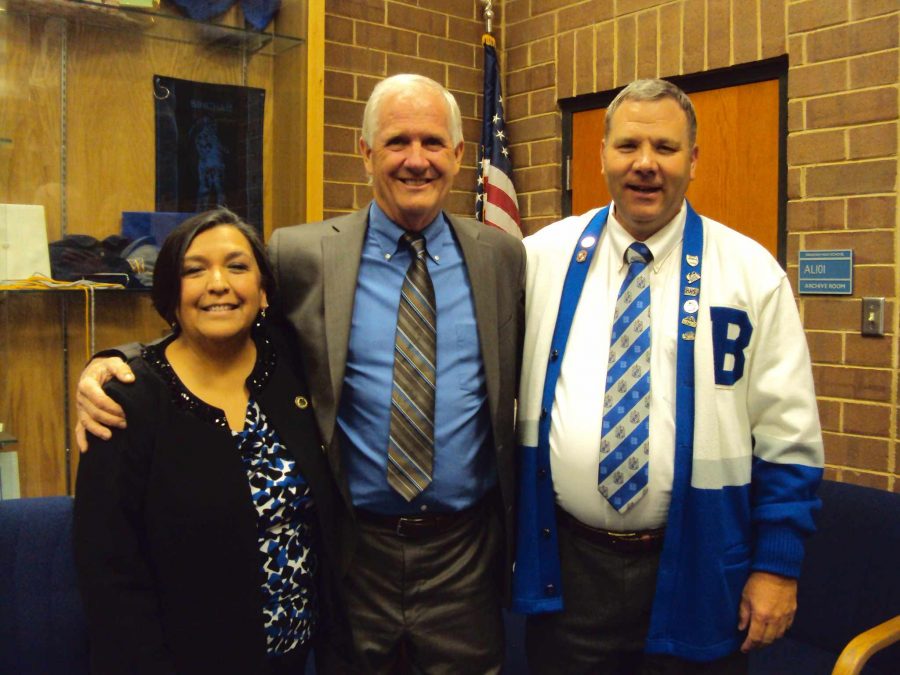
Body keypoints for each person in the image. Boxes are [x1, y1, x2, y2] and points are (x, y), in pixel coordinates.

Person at [75, 74, 525, 674]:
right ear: (364, 153)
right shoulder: (302, 255)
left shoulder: (501, 256)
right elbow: (219, 322)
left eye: (433, 143)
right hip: (350, 553)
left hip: (464, 554)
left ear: (459, 155)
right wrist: (120, 362)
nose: (416, 160)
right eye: (396, 142)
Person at [512, 78, 823, 674]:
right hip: (569, 568)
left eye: (666, 147)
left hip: (700, 566)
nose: (646, 164)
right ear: (602, 154)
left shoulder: (751, 274)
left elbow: (790, 438)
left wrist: (778, 566)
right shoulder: (540, 258)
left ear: (694, 160)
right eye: (628, 146)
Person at [73, 208, 352, 674]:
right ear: (170, 294)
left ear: (264, 291)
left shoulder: (292, 369)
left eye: (237, 266)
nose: (218, 283)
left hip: (298, 654)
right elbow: (108, 573)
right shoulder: (128, 400)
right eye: (194, 269)